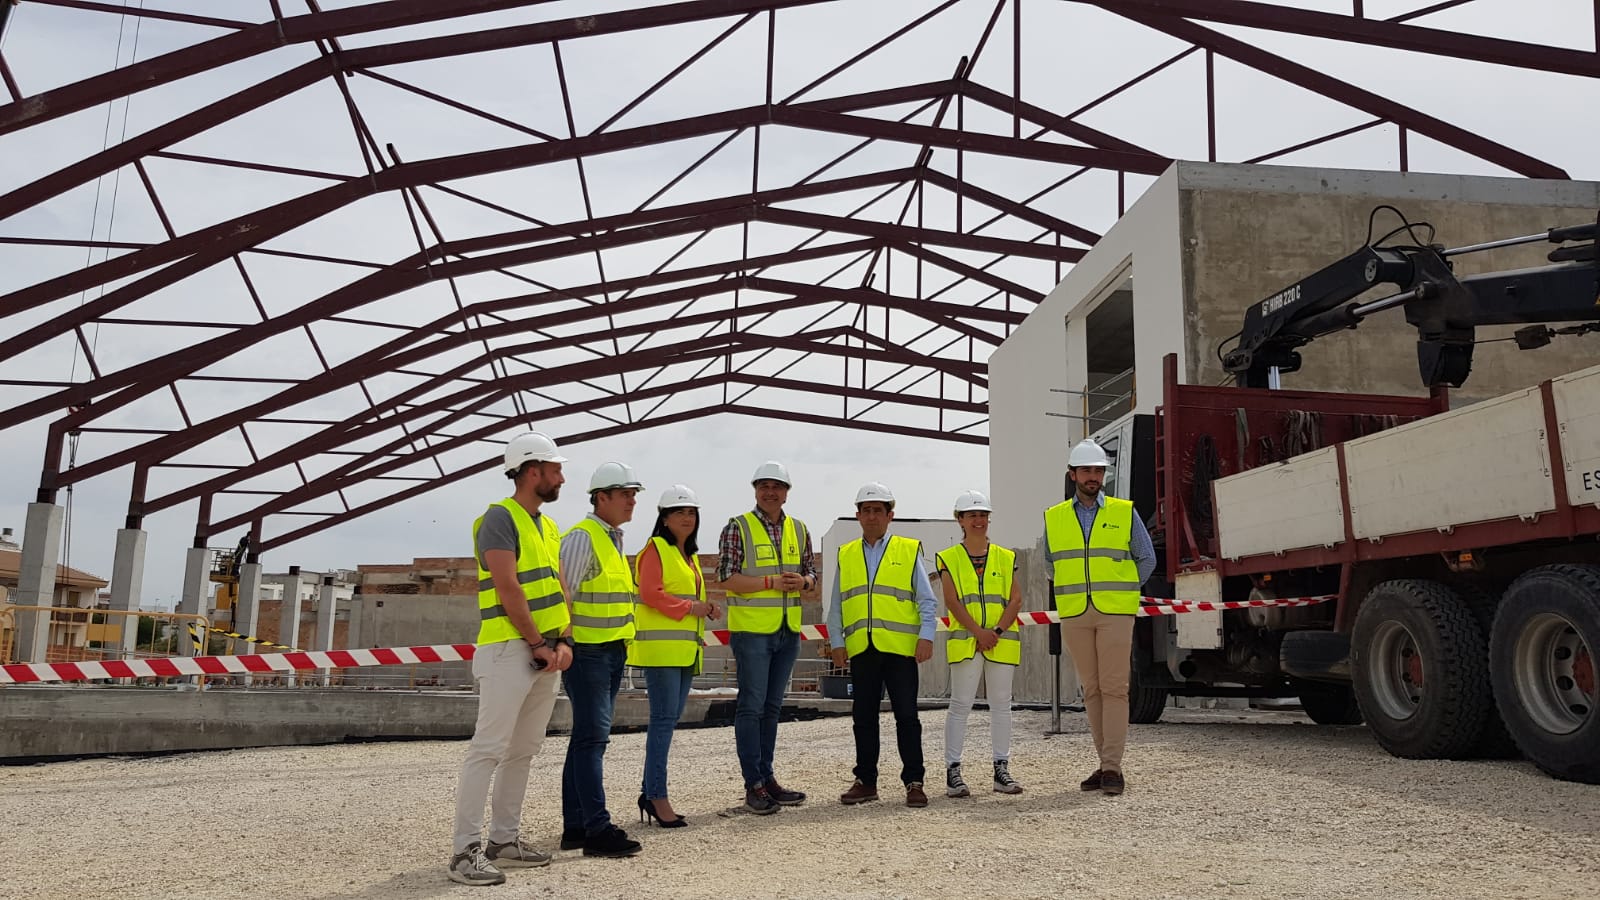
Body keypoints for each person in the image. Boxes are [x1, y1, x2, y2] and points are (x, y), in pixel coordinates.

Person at [449, 431, 574, 887]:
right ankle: (465, 851)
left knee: (523, 751)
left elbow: (559, 590)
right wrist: (540, 643)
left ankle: (504, 840)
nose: (562, 477)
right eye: (555, 469)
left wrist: (564, 642)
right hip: (509, 649)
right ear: (532, 470)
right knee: (488, 750)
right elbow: (508, 588)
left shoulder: (546, 525)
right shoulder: (498, 519)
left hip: (544, 650)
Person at [1042, 439, 1158, 796]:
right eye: (1087, 471)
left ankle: (1112, 767)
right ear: (1072, 474)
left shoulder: (1124, 511)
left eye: (1098, 471)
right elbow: (1050, 564)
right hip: (1076, 612)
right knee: (1091, 689)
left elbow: (1146, 558)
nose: (1093, 477)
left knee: (1115, 688)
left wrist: (1122, 591)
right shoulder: (1055, 516)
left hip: (1114, 613)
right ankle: (1104, 762)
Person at [826, 482, 939, 809]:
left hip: (901, 650)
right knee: (863, 717)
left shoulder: (907, 550)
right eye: (866, 510)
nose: (872, 515)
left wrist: (926, 636)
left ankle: (914, 782)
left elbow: (926, 600)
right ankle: (866, 781)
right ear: (858, 515)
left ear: (890, 515)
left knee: (907, 716)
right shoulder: (846, 555)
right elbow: (838, 604)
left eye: (879, 510)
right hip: (863, 648)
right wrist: (837, 642)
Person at [716, 460, 819, 814]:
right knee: (751, 706)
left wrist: (803, 582)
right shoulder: (737, 527)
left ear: (786, 492)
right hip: (752, 633)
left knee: (772, 708)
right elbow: (726, 578)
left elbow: (812, 576)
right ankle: (753, 784)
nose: (770, 492)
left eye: (776, 486)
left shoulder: (800, 529)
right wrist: (770, 583)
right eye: (764, 486)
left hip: (786, 631)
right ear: (756, 491)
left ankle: (767, 777)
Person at [557, 462, 644, 858]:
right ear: (601, 497)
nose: (632, 500)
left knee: (585, 741)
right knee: (593, 740)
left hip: (610, 650)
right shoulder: (582, 538)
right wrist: (564, 642)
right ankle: (597, 829)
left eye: (634, 493)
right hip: (587, 652)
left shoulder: (613, 539)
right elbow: (563, 596)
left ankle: (576, 827)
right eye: (625, 493)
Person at [630, 484, 720, 828]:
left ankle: (649, 792)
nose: (687, 517)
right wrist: (691, 606)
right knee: (663, 724)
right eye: (680, 512)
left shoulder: (689, 557)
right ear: (664, 519)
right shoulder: (655, 549)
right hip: (661, 653)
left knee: (667, 722)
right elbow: (650, 594)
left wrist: (704, 608)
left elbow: (678, 596)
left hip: (682, 653)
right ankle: (656, 796)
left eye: (692, 512)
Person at [936, 489, 1024, 798]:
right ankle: (953, 772)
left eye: (983, 515)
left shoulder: (1005, 556)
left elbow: (1015, 598)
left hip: (1000, 640)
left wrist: (996, 631)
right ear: (959, 519)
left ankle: (1001, 769)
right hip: (967, 641)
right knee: (961, 705)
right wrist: (978, 632)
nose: (979, 520)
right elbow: (951, 600)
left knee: (1002, 705)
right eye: (972, 515)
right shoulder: (949, 558)